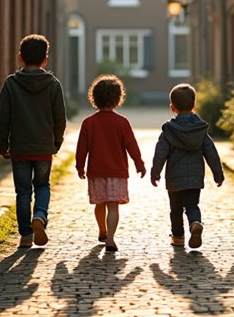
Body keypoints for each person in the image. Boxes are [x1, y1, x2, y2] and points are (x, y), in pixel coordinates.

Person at [0, 34, 67, 248]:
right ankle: (40, 216)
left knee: (23, 191)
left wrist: (2, 144)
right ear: (45, 59)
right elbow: (60, 118)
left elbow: (1, 118)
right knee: (42, 186)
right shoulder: (53, 84)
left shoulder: (10, 84)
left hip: (20, 148)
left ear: (20, 57)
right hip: (44, 147)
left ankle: (26, 235)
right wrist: (56, 142)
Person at [75, 75, 146, 252]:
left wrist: (80, 165)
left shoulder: (88, 123)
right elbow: (132, 145)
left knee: (100, 204)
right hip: (117, 171)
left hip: (96, 170)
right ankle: (111, 239)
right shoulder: (122, 122)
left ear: (94, 98)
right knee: (113, 206)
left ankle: (102, 230)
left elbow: (81, 147)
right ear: (117, 99)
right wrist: (139, 164)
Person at [150, 83, 224, 249]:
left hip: (175, 178)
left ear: (172, 108)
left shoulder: (169, 131)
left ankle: (177, 237)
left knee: (175, 209)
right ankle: (195, 223)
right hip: (195, 177)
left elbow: (160, 153)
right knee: (192, 205)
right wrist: (218, 173)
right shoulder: (200, 130)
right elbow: (211, 152)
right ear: (194, 105)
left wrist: (155, 173)